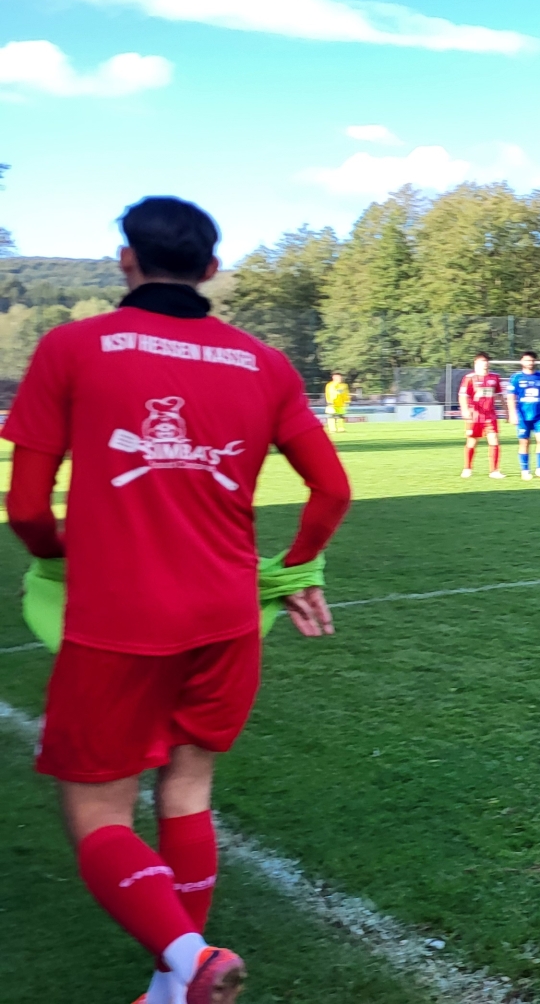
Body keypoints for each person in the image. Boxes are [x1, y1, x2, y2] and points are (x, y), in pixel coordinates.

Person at [2, 197, 351, 1003]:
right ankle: (172, 988)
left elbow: (24, 509)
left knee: (99, 811)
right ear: (212, 270)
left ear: (126, 260)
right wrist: (295, 571)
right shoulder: (264, 363)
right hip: (226, 620)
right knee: (188, 792)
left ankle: (188, 960)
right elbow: (333, 491)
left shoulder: (73, 346)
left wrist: (58, 559)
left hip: (117, 620)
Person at [459, 352, 506, 479]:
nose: (485, 363)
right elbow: (462, 396)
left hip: (490, 416)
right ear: (476, 363)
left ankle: (494, 471)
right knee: (472, 441)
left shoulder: (495, 377)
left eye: (486, 361)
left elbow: (499, 395)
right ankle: (467, 468)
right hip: (475, 416)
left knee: (494, 440)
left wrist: (506, 410)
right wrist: (465, 410)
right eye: (482, 361)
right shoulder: (469, 378)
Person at [510, 351, 540, 479]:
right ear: (522, 361)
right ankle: (525, 471)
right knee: (524, 442)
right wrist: (512, 414)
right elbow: (511, 397)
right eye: (527, 360)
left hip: (539, 415)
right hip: (523, 416)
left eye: (532, 360)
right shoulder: (516, 377)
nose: (530, 362)